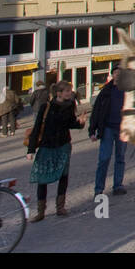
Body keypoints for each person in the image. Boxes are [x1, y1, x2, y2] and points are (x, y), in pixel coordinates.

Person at [26, 81, 84, 221]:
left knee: (63, 175)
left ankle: (60, 207)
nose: (70, 93)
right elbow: (37, 127)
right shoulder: (46, 107)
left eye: (70, 91)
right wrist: (31, 149)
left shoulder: (70, 106)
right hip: (47, 145)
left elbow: (70, 123)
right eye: (67, 91)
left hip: (63, 144)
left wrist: (80, 123)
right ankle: (41, 211)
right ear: (59, 93)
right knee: (42, 178)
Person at [89, 67, 127, 197]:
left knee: (120, 157)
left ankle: (118, 185)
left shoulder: (127, 91)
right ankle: (99, 188)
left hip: (123, 128)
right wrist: (92, 130)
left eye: (120, 73)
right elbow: (97, 111)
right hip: (108, 128)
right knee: (104, 158)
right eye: (116, 73)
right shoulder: (106, 91)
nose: (118, 75)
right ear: (112, 75)